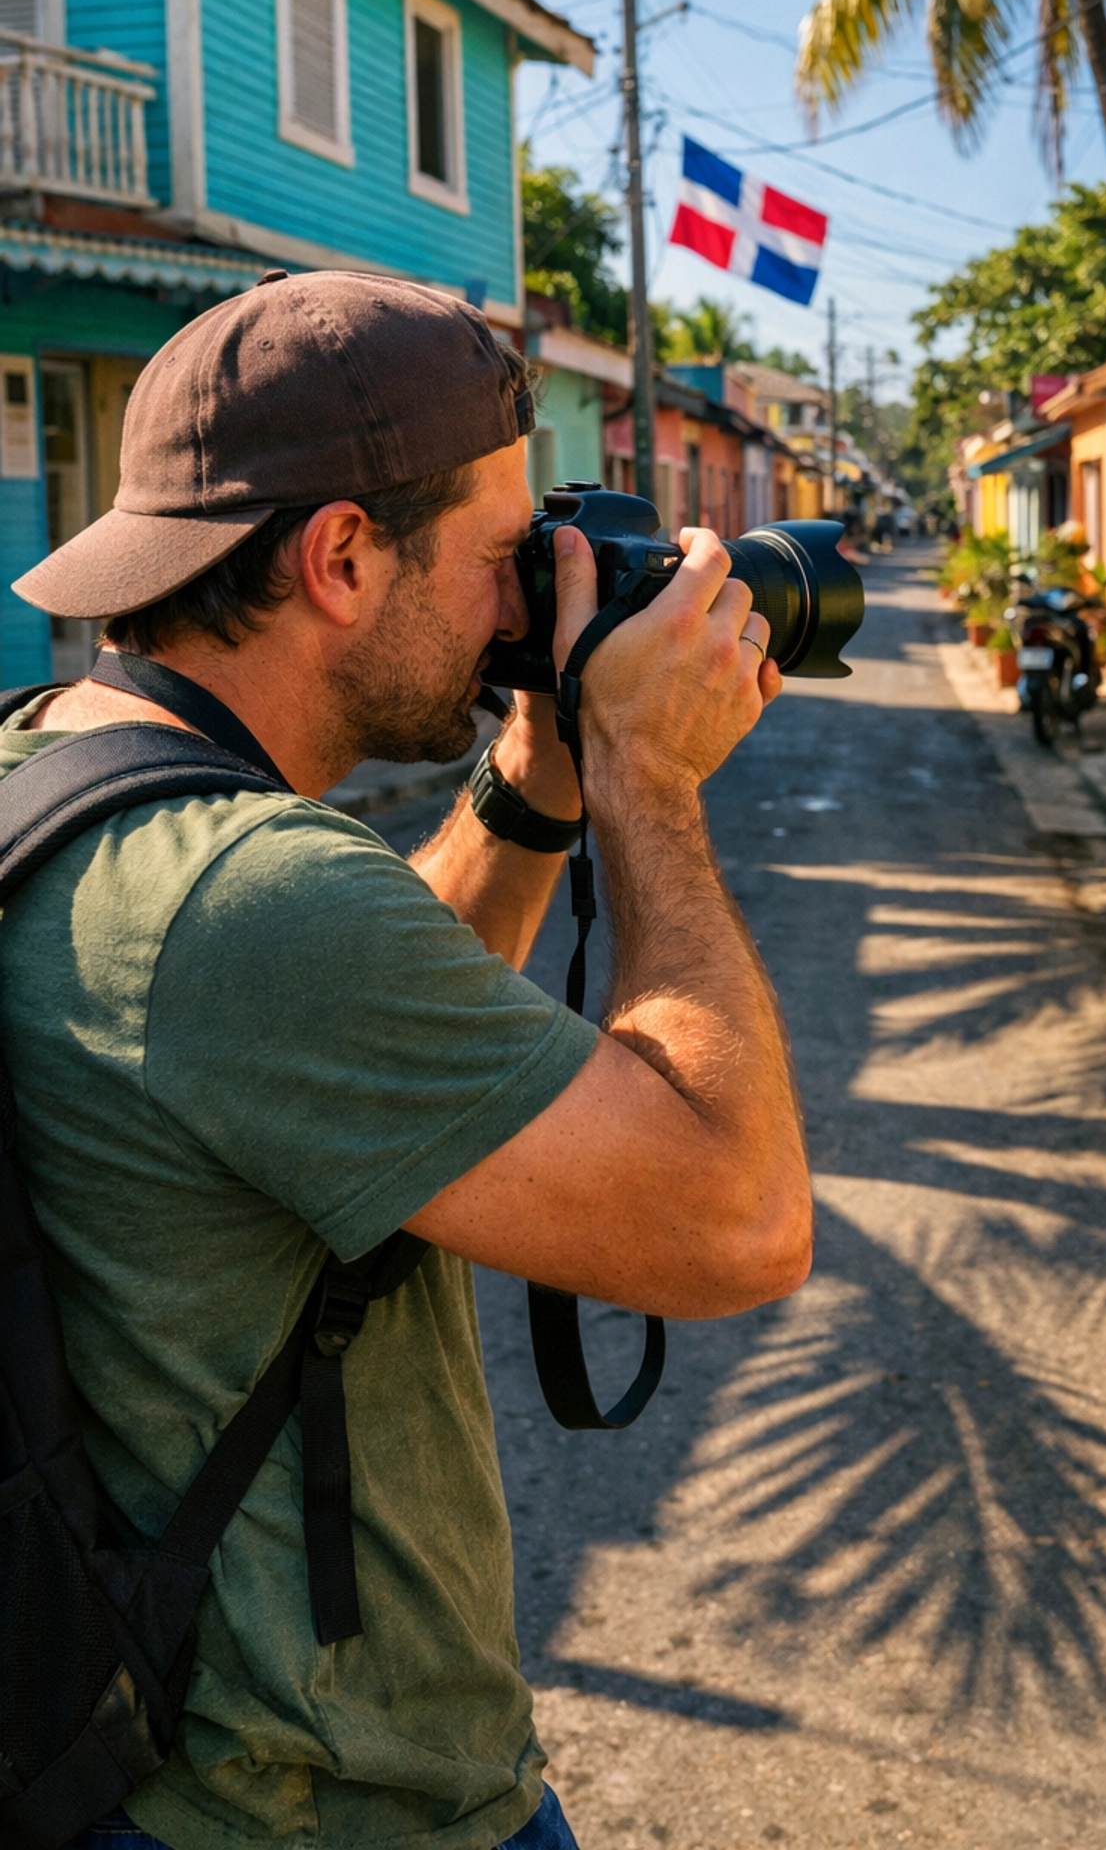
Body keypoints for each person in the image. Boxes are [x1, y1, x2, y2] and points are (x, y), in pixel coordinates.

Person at [2, 271, 813, 1850]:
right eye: (509, 559)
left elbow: (349, 1052)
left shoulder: (61, 767)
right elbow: (739, 1220)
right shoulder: (256, 901)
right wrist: (649, 773)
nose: (530, 611)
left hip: (123, 1768)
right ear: (345, 557)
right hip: (328, 1809)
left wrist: (536, 790)